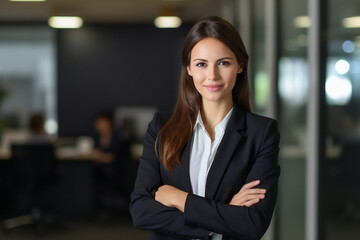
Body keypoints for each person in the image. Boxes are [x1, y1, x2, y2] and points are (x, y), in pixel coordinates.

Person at [130, 16, 280, 240]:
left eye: (223, 63)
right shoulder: (162, 127)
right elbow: (141, 212)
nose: (212, 75)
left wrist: (180, 199)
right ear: (189, 68)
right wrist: (225, 213)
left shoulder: (261, 133)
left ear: (240, 65)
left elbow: (253, 222)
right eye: (201, 64)